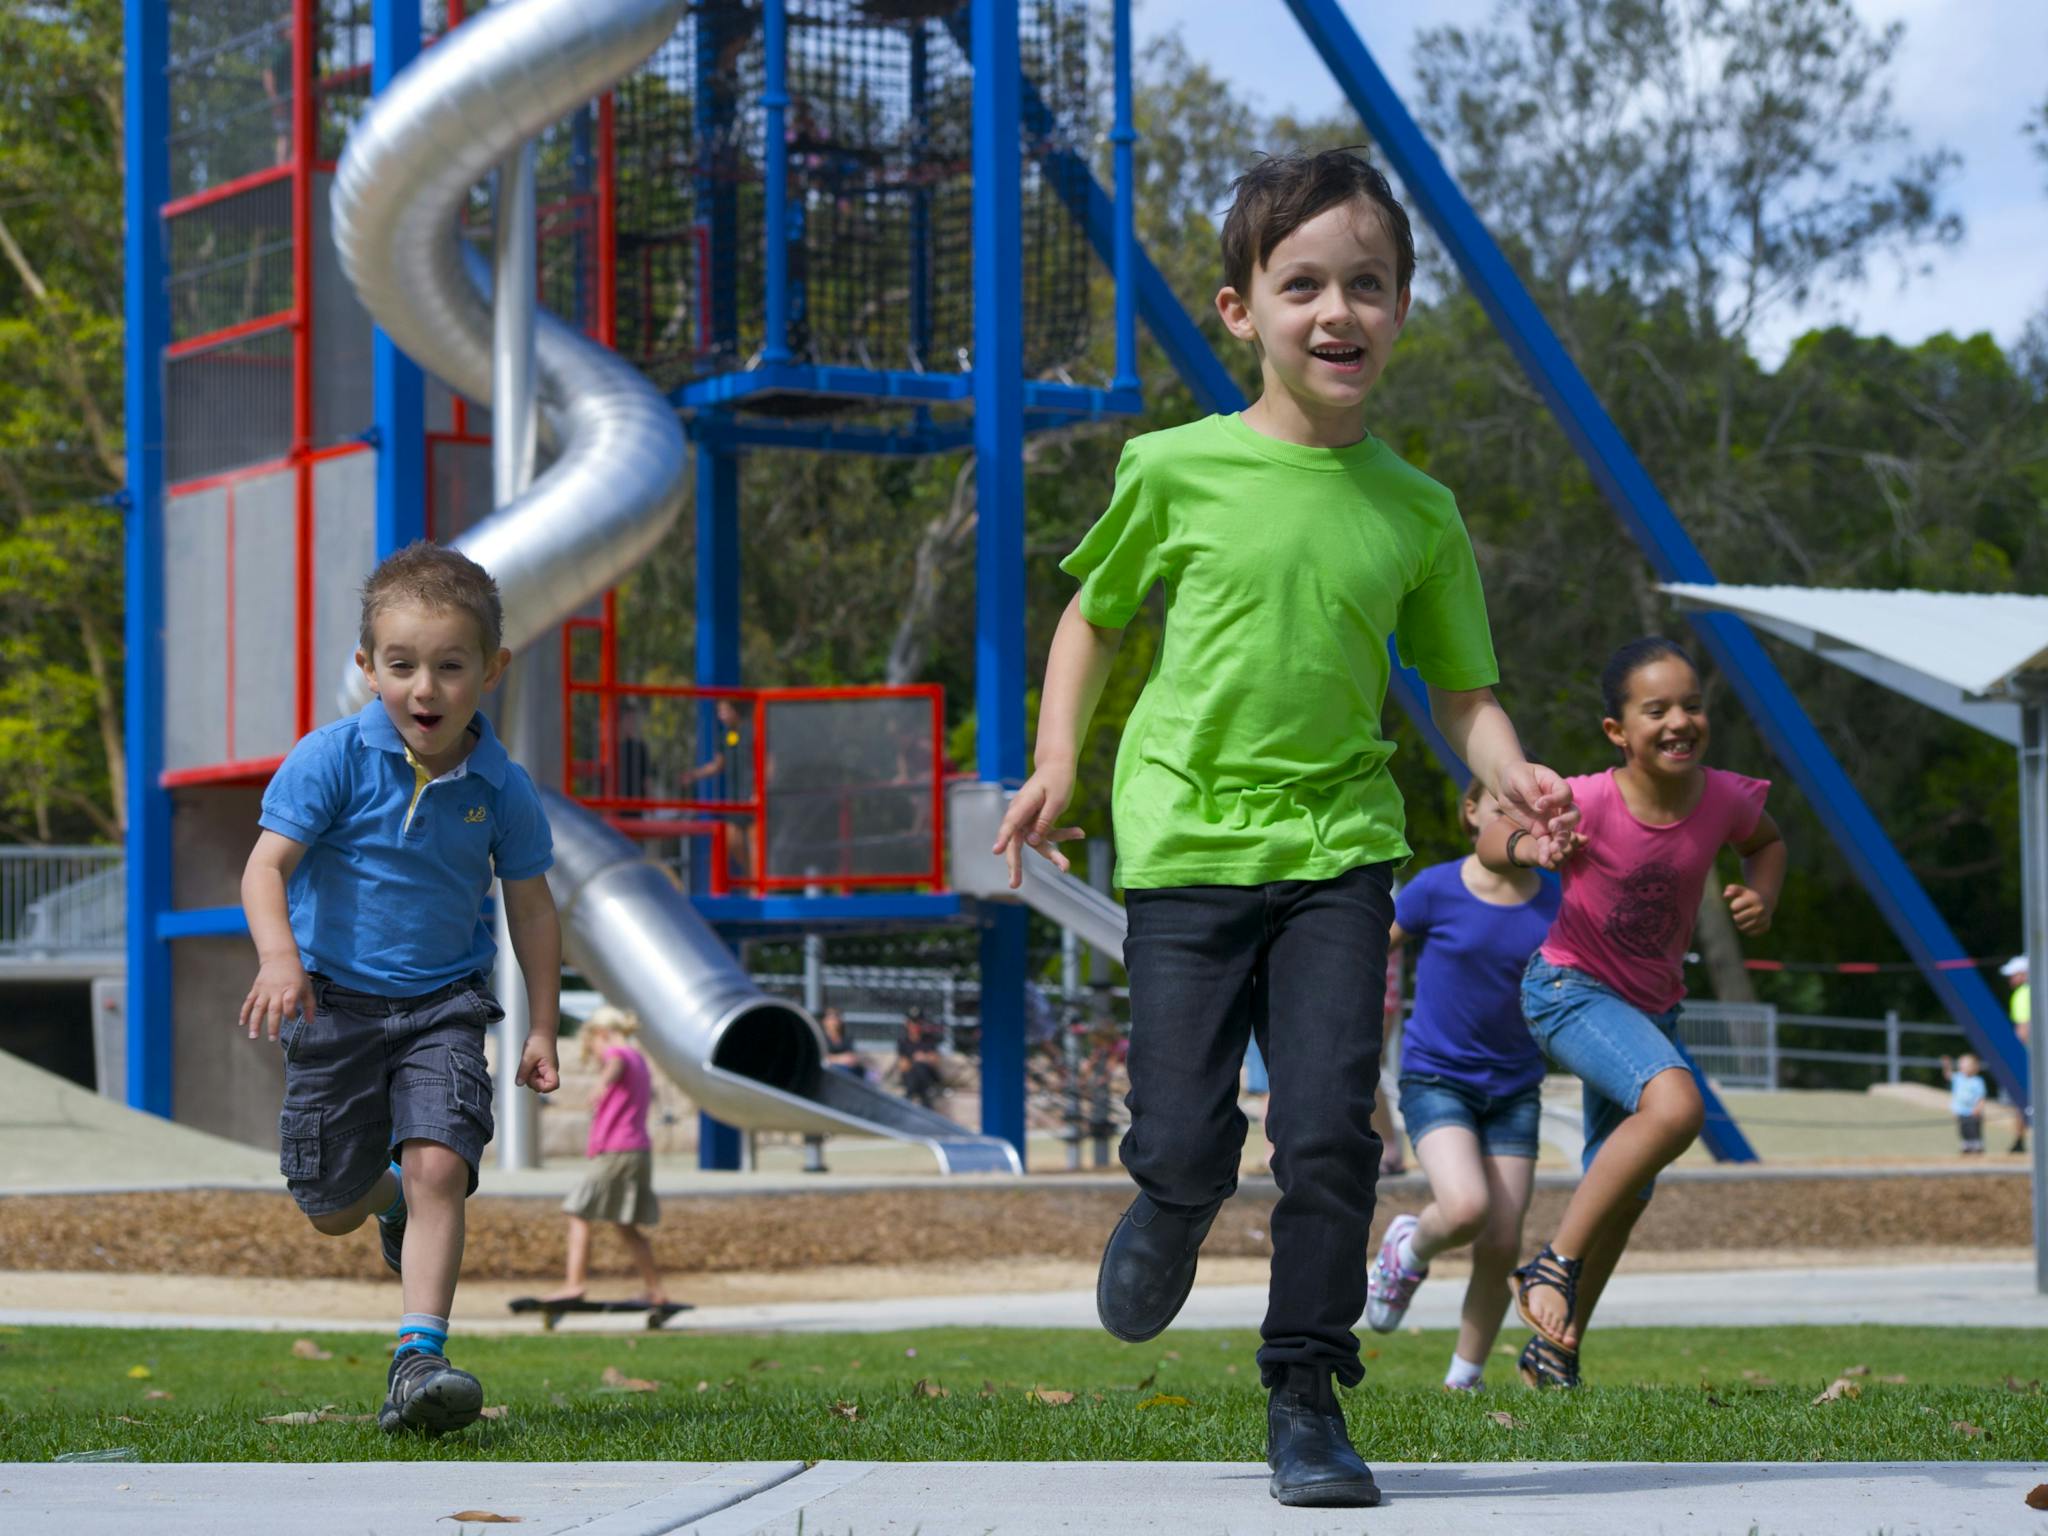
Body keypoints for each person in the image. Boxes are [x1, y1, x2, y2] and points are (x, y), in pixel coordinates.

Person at [992, 149, 1575, 1509]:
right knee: (1188, 1132)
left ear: (1401, 310)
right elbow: (1094, 614)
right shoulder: (1174, 469)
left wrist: (1519, 770)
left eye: (1367, 286)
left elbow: (1463, 691)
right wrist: (1058, 759)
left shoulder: (1420, 513)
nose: (1339, 312)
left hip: (1340, 853)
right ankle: (1171, 1198)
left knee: (1329, 1135)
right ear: (1240, 309)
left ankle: (1306, 1393)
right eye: (1303, 283)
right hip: (1189, 848)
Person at [238, 542, 559, 1436]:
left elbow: (532, 912)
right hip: (332, 1003)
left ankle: (419, 1359)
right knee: (330, 1202)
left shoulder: (502, 787)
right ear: (366, 668)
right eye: (402, 665)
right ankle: (380, 1205)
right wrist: (279, 958)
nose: (426, 688)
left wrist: (542, 1026)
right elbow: (266, 869)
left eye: (451, 666)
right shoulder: (330, 758)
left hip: (444, 1009)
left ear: (491, 670)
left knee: (439, 1166)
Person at [1485, 636, 1784, 1390]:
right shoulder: (1586, 798)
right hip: (1568, 991)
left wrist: (1763, 893)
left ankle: (1555, 1352)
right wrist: (1534, 848)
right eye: (1657, 710)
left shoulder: (1722, 798)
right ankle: (1548, 1266)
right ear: (1619, 732)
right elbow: (1491, 837)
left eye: (1691, 704)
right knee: (1676, 1105)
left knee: (1627, 1187)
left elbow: (1767, 841)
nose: (1679, 720)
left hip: (1652, 1011)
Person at [1365, 777, 1563, 1392]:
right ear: (1471, 812)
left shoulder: (1555, 898)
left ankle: (1464, 1378)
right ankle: (1408, 1248)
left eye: (1533, 812)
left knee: (1502, 1241)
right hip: (1437, 1078)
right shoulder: (1436, 888)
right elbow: (1372, 948)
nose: (1520, 821)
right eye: (1506, 807)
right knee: (1467, 1208)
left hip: (1515, 1087)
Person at [546, 1007, 667, 1305]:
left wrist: (603, 1082)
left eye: (593, 1046)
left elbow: (615, 1060)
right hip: (636, 1150)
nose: (596, 1054)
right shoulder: (640, 1060)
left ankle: (574, 1285)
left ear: (602, 1035)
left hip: (617, 1150)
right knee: (625, 1224)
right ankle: (656, 1291)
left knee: (577, 1211)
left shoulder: (621, 1056)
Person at [2001, 955, 2030, 1153]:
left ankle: (2019, 1141)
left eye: (2013, 975)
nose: (2010, 979)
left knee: (2022, 1097)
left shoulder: (2022, 994)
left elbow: (2023, 1029)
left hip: (2031, 1055)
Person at [1940, 1052, 1989, 1155]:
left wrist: (1978, 1108)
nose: (1962, 1066)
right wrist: (1947, 1066)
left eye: (1966, 1064)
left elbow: (1981, 1097)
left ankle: (1977, 1146)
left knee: (1974, 1130)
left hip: (1973, 1112)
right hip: (1961, 1111)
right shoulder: (1958, 1078)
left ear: (1974, 1067)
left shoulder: (1977, 1081)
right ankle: (1966, 1145)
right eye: (1961, 1064)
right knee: (1963, 1130)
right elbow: (1948, 1076)